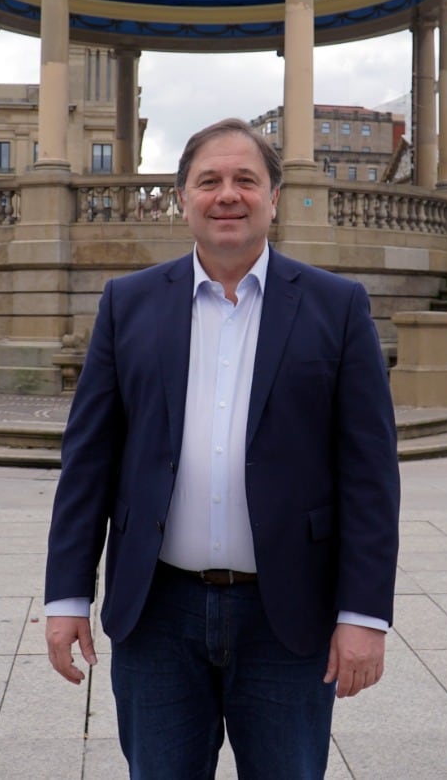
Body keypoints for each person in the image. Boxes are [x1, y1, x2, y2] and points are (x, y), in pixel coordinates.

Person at [44, 118, 401, 779]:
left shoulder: (338, 307)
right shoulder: (129, 303)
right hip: (156, 616)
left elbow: (370, 477)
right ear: (182, 198)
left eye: (246, 180)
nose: (227, 195)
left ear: (274, 196)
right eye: (209, 181)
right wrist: (67, 597)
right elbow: (88, 462)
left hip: (289, 619)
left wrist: (364, 614)